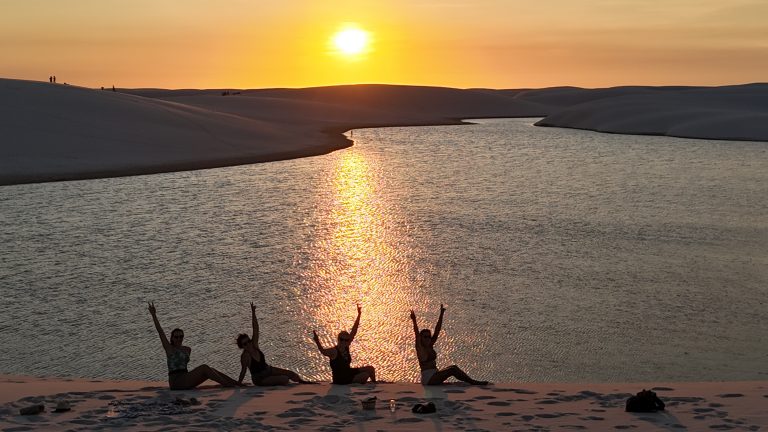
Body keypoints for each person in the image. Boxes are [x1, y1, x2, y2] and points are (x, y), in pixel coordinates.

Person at [148, 302, 240, 390]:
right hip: (176, 382)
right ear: (172, 338)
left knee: (211, 370)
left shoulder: (187, 349)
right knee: (204, 367)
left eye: (181, 336)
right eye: (176, 337)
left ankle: (236, 383)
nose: (179, 338)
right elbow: (160, 331)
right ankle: (228, 385)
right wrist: (153, 315)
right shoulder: (169, 349)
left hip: (186, 378)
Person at [410, 304, 488, 386]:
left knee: (453, 367)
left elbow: (437, 330)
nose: (428, 339)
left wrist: (441, 314)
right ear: (421, 338)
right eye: (425, 337)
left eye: (429, 336)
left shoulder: (430, 345)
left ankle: (471, 381)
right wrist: (414, 320)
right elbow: (416, 334)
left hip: (435, 374)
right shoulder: (420, 348)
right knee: (452, 370)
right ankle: (473, 382)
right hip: (428, 378)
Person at [236, 302, 310, 386]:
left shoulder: (254, 345)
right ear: (242, 347)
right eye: (245, 344)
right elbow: (243, 371)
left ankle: (303, 383)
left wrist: (253, 313)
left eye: (248, 341)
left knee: (292, 374)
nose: (248, 344)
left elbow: (256, 328)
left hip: (268, 370)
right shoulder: (245, 356)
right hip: (260, 378)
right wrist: (239, 383)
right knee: (284, 379)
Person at [312, 305, 376, 384]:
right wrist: (317, 341)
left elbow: (354, 330)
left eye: (346, 340)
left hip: (349, 372)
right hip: (341, 379)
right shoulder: (334, 351)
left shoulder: (346, 346)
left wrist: (359, 314)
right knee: (365, 375)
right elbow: (323, 351)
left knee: (370, 369)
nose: (344, 342)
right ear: (338, 339)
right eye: (342, 339)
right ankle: (359, 382)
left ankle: (374, 384)